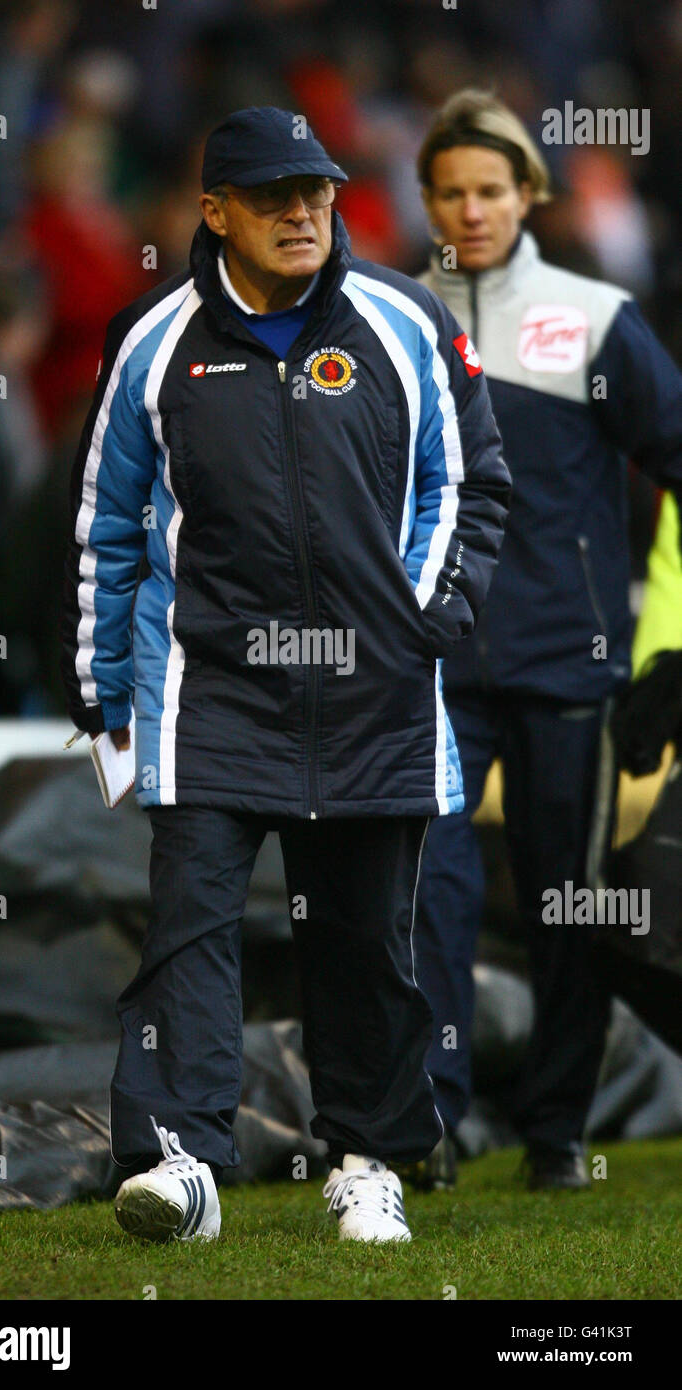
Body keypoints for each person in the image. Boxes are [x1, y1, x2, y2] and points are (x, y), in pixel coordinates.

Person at [60, 106, 510, 1242]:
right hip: (204, 693)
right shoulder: (153, 342)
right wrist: (104, 688)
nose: (304, 211)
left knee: (367, 943)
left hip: (376, 695)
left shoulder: (405, 320)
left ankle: (366, 1160)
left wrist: (416, 619)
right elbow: (107, 522)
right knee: (189, 931)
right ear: (213, 213)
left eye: (316, 191)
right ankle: (185, 1164)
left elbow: (465, 485)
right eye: (273, 197)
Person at [413, 90, 682, 1190]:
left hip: (568, 663)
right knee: (422, 888)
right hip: (429, 663)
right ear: (424, 197)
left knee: (566, 899)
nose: (469, 210)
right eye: (448, 191)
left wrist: (665, 644)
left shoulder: (597, 317)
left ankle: (556, 1133)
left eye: (489, 189)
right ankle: (416, 1125)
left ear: (526, 193)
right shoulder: (387, 316)